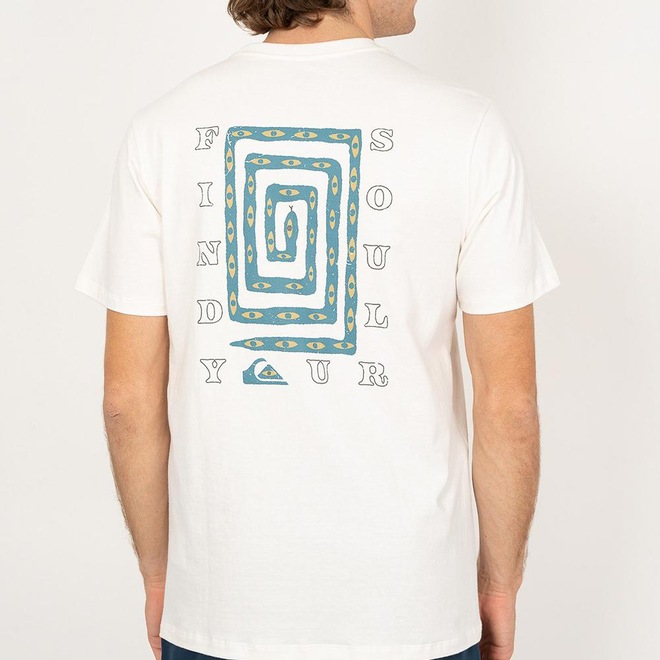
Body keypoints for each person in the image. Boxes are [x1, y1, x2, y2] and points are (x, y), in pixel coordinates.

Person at [73, 0, 561, 658]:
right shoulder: (468, 129)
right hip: (413, 614)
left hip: (220, 609)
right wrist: (498, 586)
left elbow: (126, 401)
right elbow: (509, 406)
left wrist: (163, 579)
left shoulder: (161, 130)